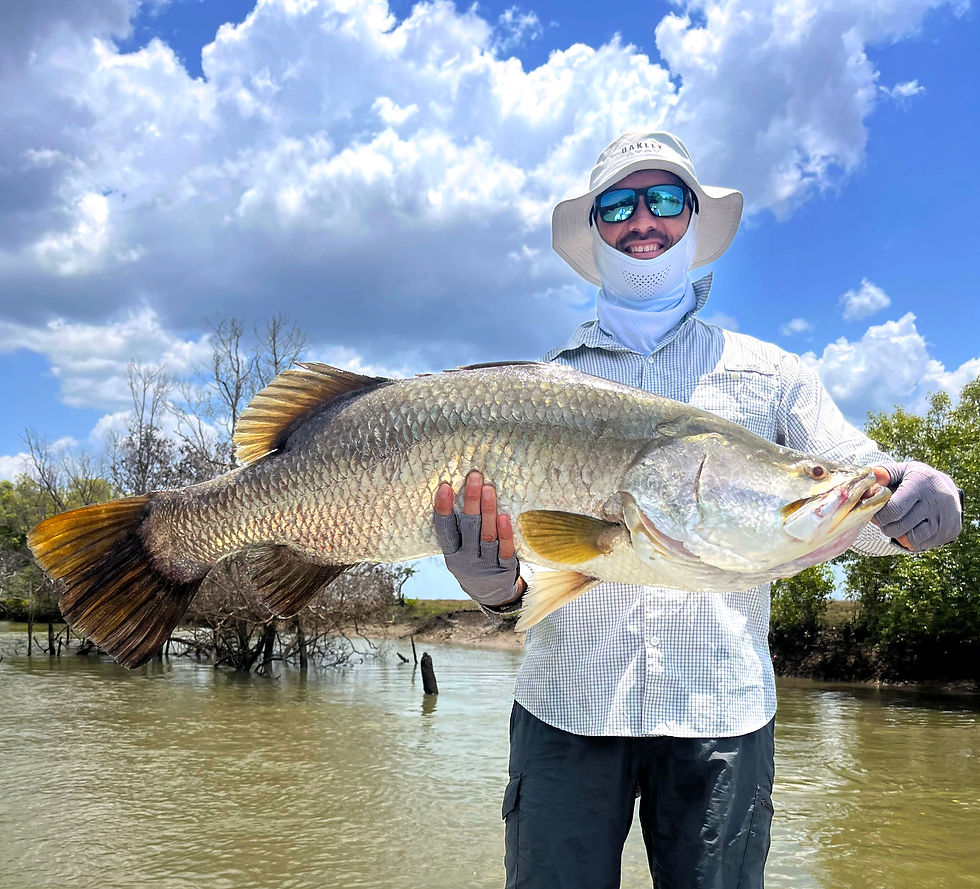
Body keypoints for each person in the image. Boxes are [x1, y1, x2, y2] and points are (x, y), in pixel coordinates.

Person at [432, 131, 962, 889]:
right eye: (617, 202)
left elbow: (853, 497)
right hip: (563, 708)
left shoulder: (774, 376)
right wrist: (496, 592)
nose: (641, 219)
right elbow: (528, 585)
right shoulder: (536, 389)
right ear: (594, 229)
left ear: (691, 220)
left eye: (665, 199)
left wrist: (916, 486)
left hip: (724, 717)